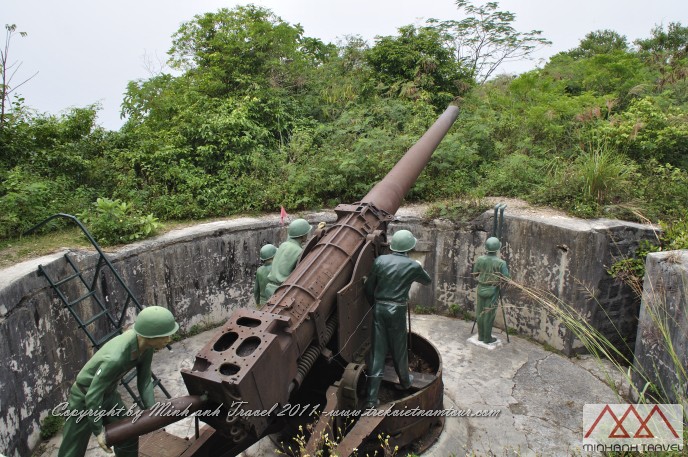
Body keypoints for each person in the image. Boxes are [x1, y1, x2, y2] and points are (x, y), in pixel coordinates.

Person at [57, 306, 179, 457]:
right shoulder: (116, 358)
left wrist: (152, 411)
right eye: (165, 336)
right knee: (72, 450)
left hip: (109, 394)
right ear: (150, 335)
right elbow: (92, 395)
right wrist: (98, 430)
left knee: (128, 435)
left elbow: (145, 379)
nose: (169, 339)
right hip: (83, 397)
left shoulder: (146, 347)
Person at [363, 229, 431, 409]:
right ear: (410, 247)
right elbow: (427, 281)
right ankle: (405, 382)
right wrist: (417, 266)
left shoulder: (380, 261)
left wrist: (375, 305)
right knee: (399, 348)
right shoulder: (413, 266)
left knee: (377, 352)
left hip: (379, 308)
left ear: (392, 246)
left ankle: (371, 400)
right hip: (397, 310)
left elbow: (369, 288)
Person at [472, 237, 510, 344]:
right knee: (489, 314)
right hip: (492, 289)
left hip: (481, 288)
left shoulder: (480, 259)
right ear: (498, 249)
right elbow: (506, 278)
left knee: (480, 313)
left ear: (486, 248)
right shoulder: (501, 263)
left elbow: (474, 275)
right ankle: (487, 338)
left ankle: (480, 336)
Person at [264, 218, 312, 298]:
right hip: (283, 292)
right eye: (306, 233)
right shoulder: (299, 251)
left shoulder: (283, 245)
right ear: (303, 235)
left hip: (269, 289)